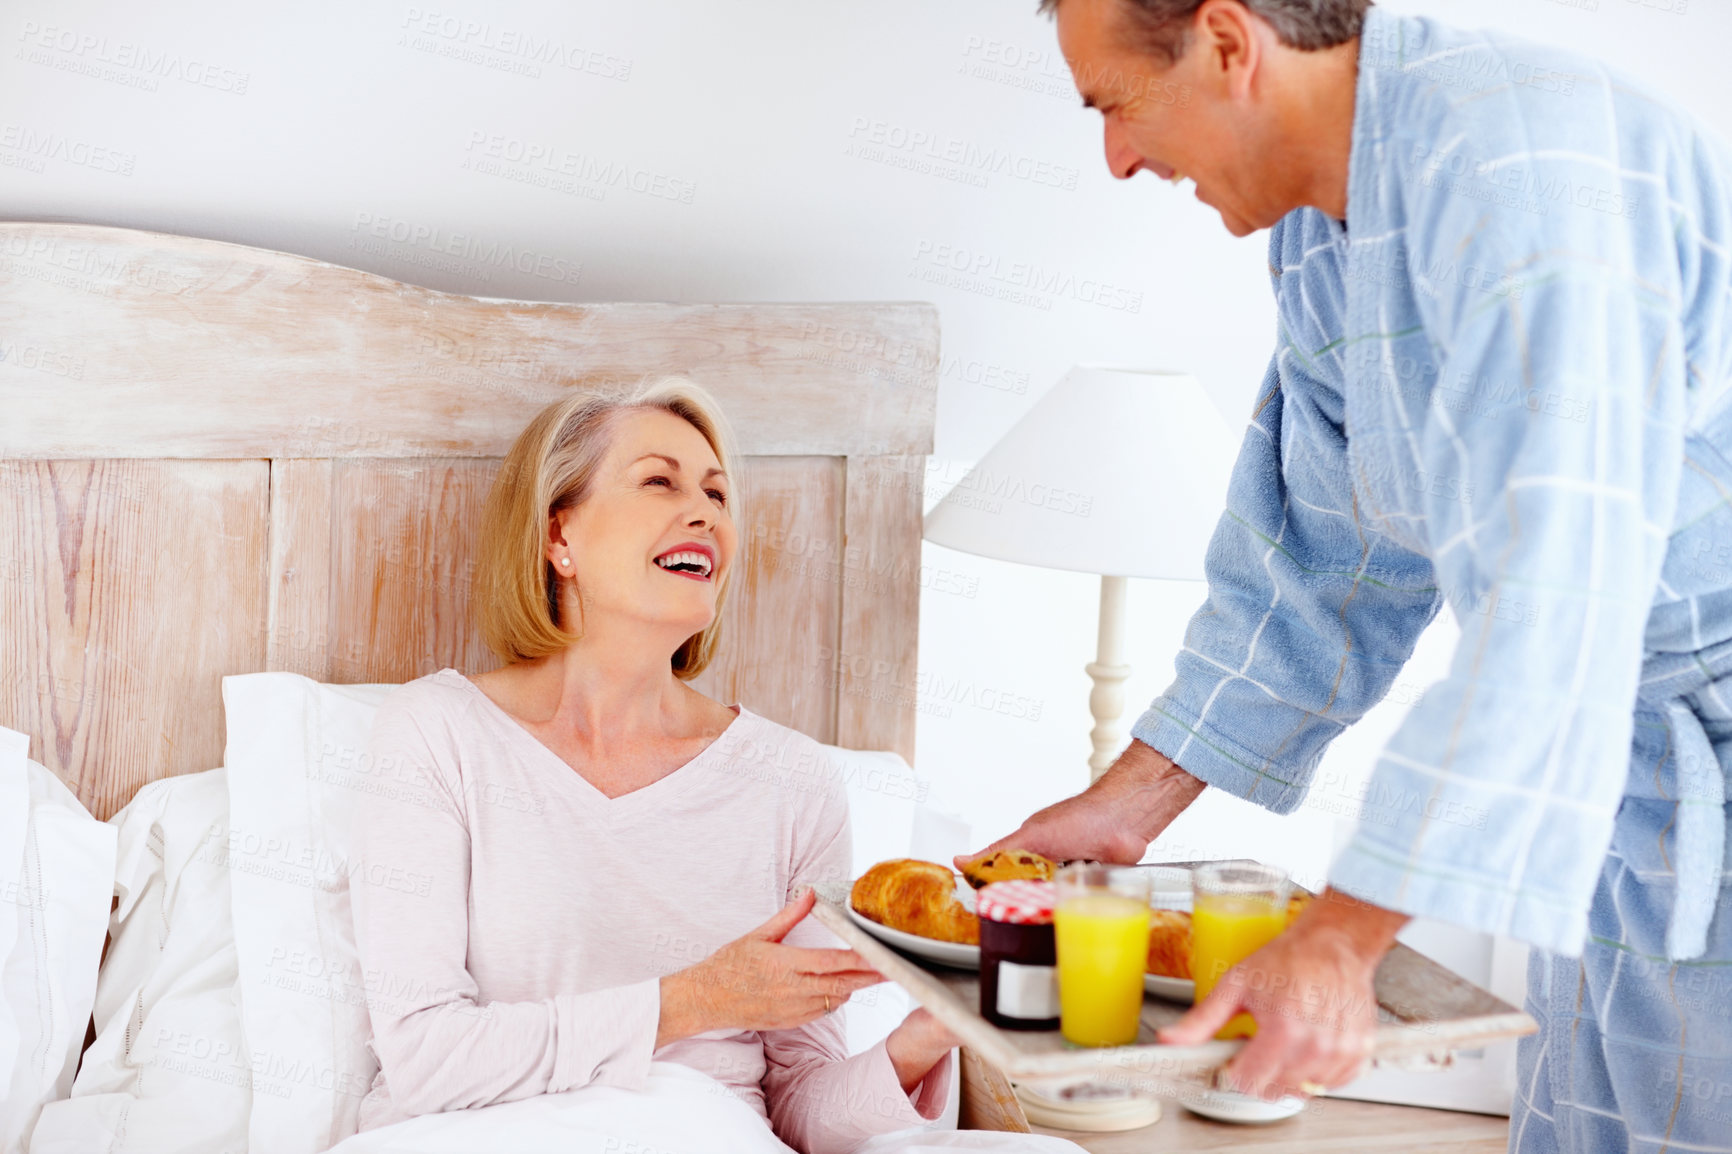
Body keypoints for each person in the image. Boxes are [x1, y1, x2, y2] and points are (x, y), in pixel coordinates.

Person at [961, 2, 1732, 1151]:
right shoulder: (1331, 232)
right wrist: (1131, 802)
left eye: (1113, 103)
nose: (1117, 158)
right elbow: (1320, 561)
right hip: (1629, 798)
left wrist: (1341, 935)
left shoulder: (1521, 166)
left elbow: (1556, 598)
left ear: (1228, 41)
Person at [339, 378, 1083, 1153]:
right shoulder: (437, 734)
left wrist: (928, 1036)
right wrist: (689, 1002)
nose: (706, 514)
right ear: (559, 535)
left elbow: (800, 1109)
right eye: (659, 481)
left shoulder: (791, 782)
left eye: (718, 495)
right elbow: (425, 1060)